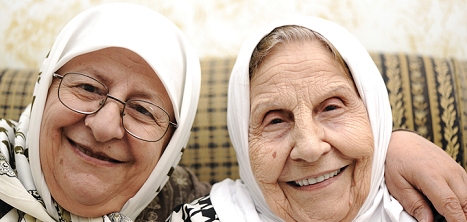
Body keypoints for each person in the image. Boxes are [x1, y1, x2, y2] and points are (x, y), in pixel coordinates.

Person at [167, 17, 467, 222]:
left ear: (375, 115)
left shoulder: (441, 203)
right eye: (275, 120)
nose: (310, 149)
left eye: (332, 108)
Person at [0, 3, 206, 221]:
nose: (103, 128)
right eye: (88, 88)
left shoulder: (196, 206)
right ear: (44, 91)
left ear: (171, 145)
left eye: (142, 110)